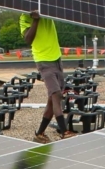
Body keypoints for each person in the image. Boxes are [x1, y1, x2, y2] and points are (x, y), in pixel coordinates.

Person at [20, 10, 75, 144]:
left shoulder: (48, 9)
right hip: (43, 61)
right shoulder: (24, 17)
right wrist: (36, 20)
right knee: (56, 94)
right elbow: (28, 38)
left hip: (57, 59)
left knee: (52, 99)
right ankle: (64, 131)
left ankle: (40, 133)